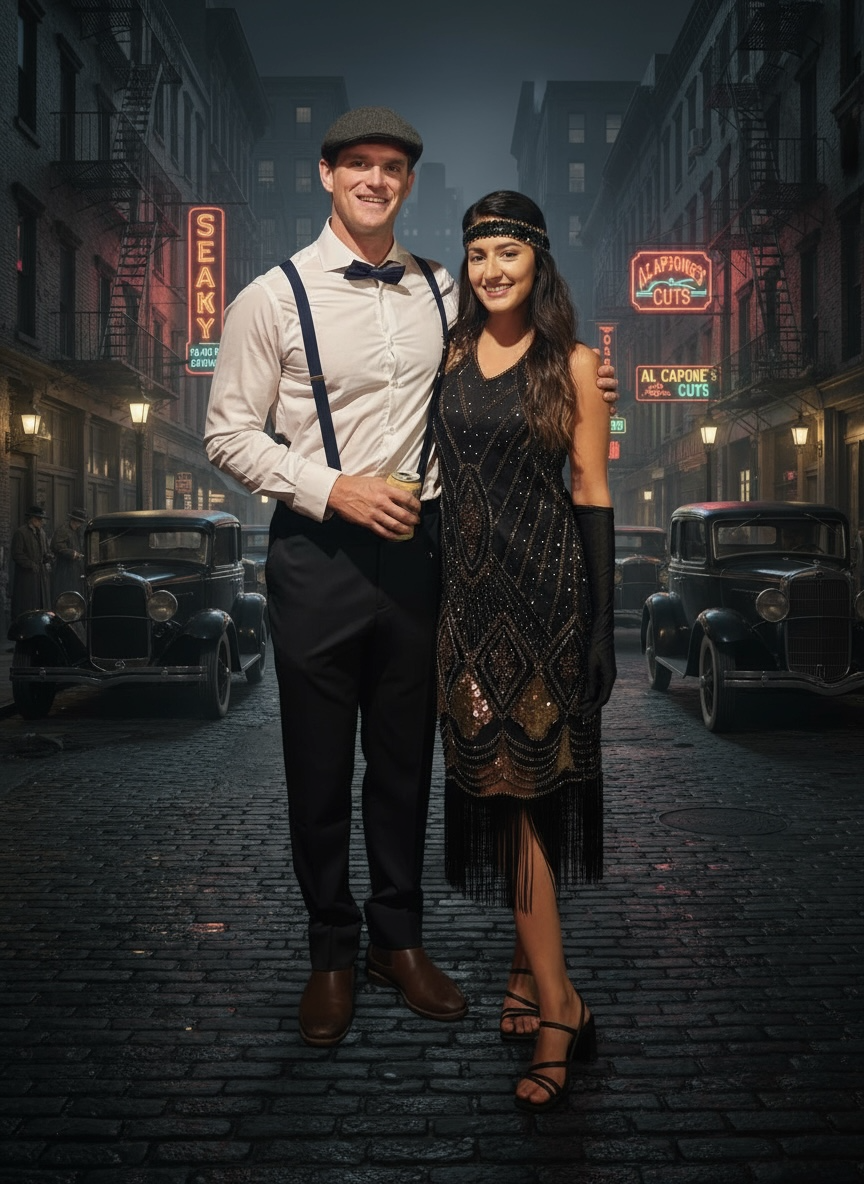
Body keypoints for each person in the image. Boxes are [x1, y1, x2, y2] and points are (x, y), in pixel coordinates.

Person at [205, 107, 618, 1049]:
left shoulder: (444, 287)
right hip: (317, 553)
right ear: (326, 174)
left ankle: (400, 943)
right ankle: (331, 955)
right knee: (317, 771)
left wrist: (586, 382)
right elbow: (227, 432)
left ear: (409, 183)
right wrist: (330, 488)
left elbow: (523, 363)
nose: (375, 180)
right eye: (358, 164)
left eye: (392, 167)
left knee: (404, 766)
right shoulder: (271, 296)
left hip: (428, 556)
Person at [434, 191, 615, 1113]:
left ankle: (560, 1005)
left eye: (509, 253)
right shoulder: (446, 353)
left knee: (526, 800)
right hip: (465, 611)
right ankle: (525, 977)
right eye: (478, 256)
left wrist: (601, 628)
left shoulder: (576, 365)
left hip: (547, 606)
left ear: (538, 262)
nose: (492, 269)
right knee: (499, 790)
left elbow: (590, 492)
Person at [11, 505, 52, 619]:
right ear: (33, 519)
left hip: (40, 577)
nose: (42, 522)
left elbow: (45, 551)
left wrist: (47, 556)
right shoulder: (21, 533)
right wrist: (30, 564)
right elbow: (17, 554)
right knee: (26, 604)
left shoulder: (42, 533)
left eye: (42, 520)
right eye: (40, 519)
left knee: (40, 603)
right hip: (26, 578)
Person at [51, 508, 87, 597]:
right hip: (65, 568)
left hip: (75, 568)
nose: (78, 525)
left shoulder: (76, 531)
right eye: (78, 523)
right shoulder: (63, 530)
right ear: (73, 521)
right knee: (65, 591)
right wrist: (73, 554)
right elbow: (56, 545)